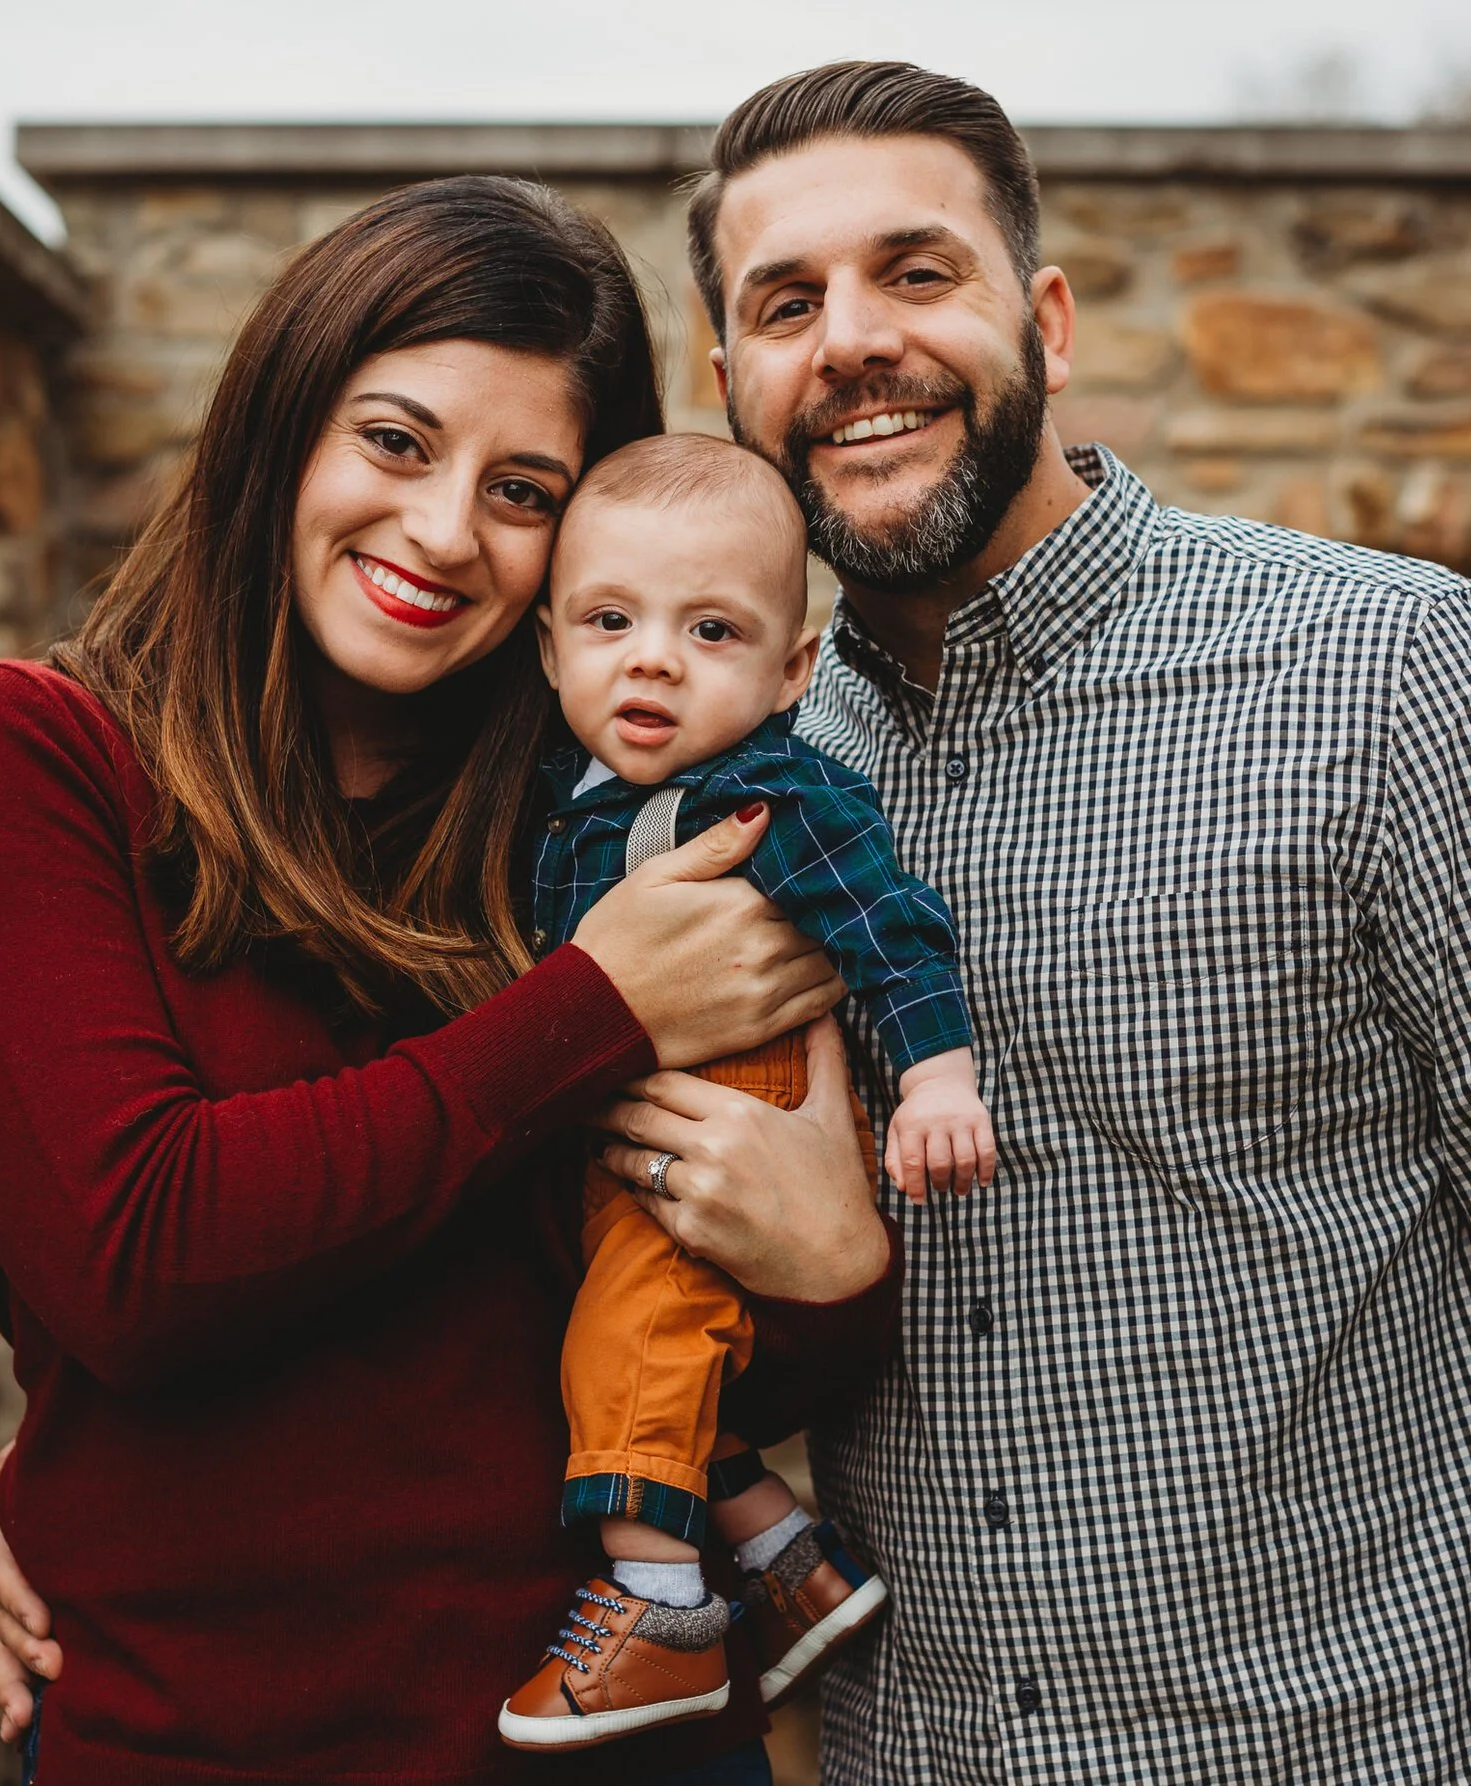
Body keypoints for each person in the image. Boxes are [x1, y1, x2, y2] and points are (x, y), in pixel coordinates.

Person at [0, 62, 1471, 1786]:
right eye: (784, 304)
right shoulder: (683, 779)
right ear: (732, 385)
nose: (852, 339)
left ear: (1048, 321)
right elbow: (439, 1212)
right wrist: (79, 1478)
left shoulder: (1390, 677)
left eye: (918, 271)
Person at [0, 175, 901, 1786]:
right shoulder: (30, 762)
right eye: (397, 441)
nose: (439, 532)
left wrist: (838, 1268)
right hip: (202, 1743)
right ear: (284, 417)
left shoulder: (592, 834)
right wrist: (589, 1014)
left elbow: (682, 1338)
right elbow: (139, 1261)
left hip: (605, 1742)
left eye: (521, 489)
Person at [500, 433, 992, 1751]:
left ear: (790, 671)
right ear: (550, 648)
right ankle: (789, 1564)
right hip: (627, 1126)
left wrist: (938, 1073)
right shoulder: (565, 798)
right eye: (611, 620)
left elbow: (891, 925)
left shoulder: (778, 793)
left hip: (736, 1097)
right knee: (633, 1361)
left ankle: (663, 1608)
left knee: (636, 1340)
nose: (651, 657)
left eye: (708, 629)